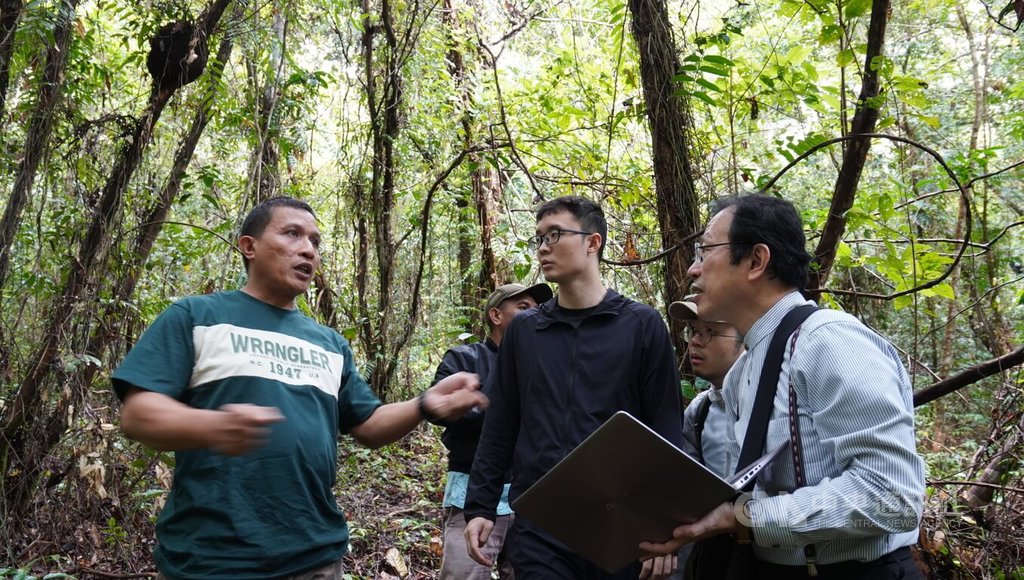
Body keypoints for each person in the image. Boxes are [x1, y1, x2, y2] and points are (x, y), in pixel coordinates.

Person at [111, 196, 487, 579]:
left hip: (315, 556)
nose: (307, 249)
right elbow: (139, 414)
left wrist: (424, 404)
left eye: (314, 241)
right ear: (249, 246)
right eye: (292, 234)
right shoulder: (196, 316)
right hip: (212, 558)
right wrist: (212, 426)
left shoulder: (329, 343)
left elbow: (368, 425)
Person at [639, 195, 925, 579]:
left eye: (705, 251)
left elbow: (893, 495)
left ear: (756, 261)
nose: (693, 270)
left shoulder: (828, 342)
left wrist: (745, 516)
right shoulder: (747, 366)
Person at [464, 195, 685, 579]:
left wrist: (663, 521)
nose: (543, 248)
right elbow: (502, 421)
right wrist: (480, 507)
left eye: (554, 235)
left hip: (619, 520)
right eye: (539, 239)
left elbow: (664, 428)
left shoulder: (641, 325)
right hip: (540, 522)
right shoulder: (525, 330)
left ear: (592, 242)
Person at [432, 282, 553, 580]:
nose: (532, 315)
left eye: (536, 310)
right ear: (496, 316)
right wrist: (496, 408)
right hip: (471, 495)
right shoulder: (464, 360)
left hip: (531, 499)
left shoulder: (543, 366)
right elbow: (441, 408)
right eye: (523, 308)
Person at [642, 300, 745, 580]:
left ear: (747, 337)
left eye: (710, 331)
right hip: (715, 554)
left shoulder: (777, 404)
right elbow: (685, 498)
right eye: (693, 331)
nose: (696, 342)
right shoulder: (700, 412)